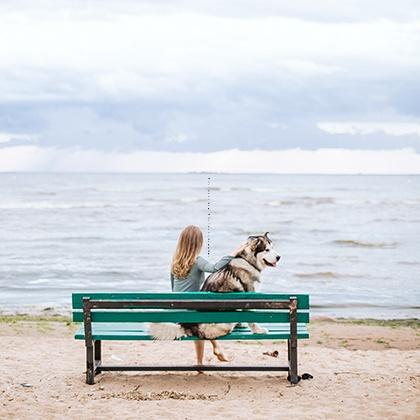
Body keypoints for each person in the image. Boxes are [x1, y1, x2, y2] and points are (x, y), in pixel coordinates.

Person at [171, 225, 242, 365]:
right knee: (203, 317)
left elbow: (173, 288)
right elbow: (215, 268)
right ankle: (209, 354)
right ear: (198, 243)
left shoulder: (174, 262)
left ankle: (208, 356)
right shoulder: (197, 261)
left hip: (177, 314)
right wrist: (234, 253)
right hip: (192, 315)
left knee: (200, 317)